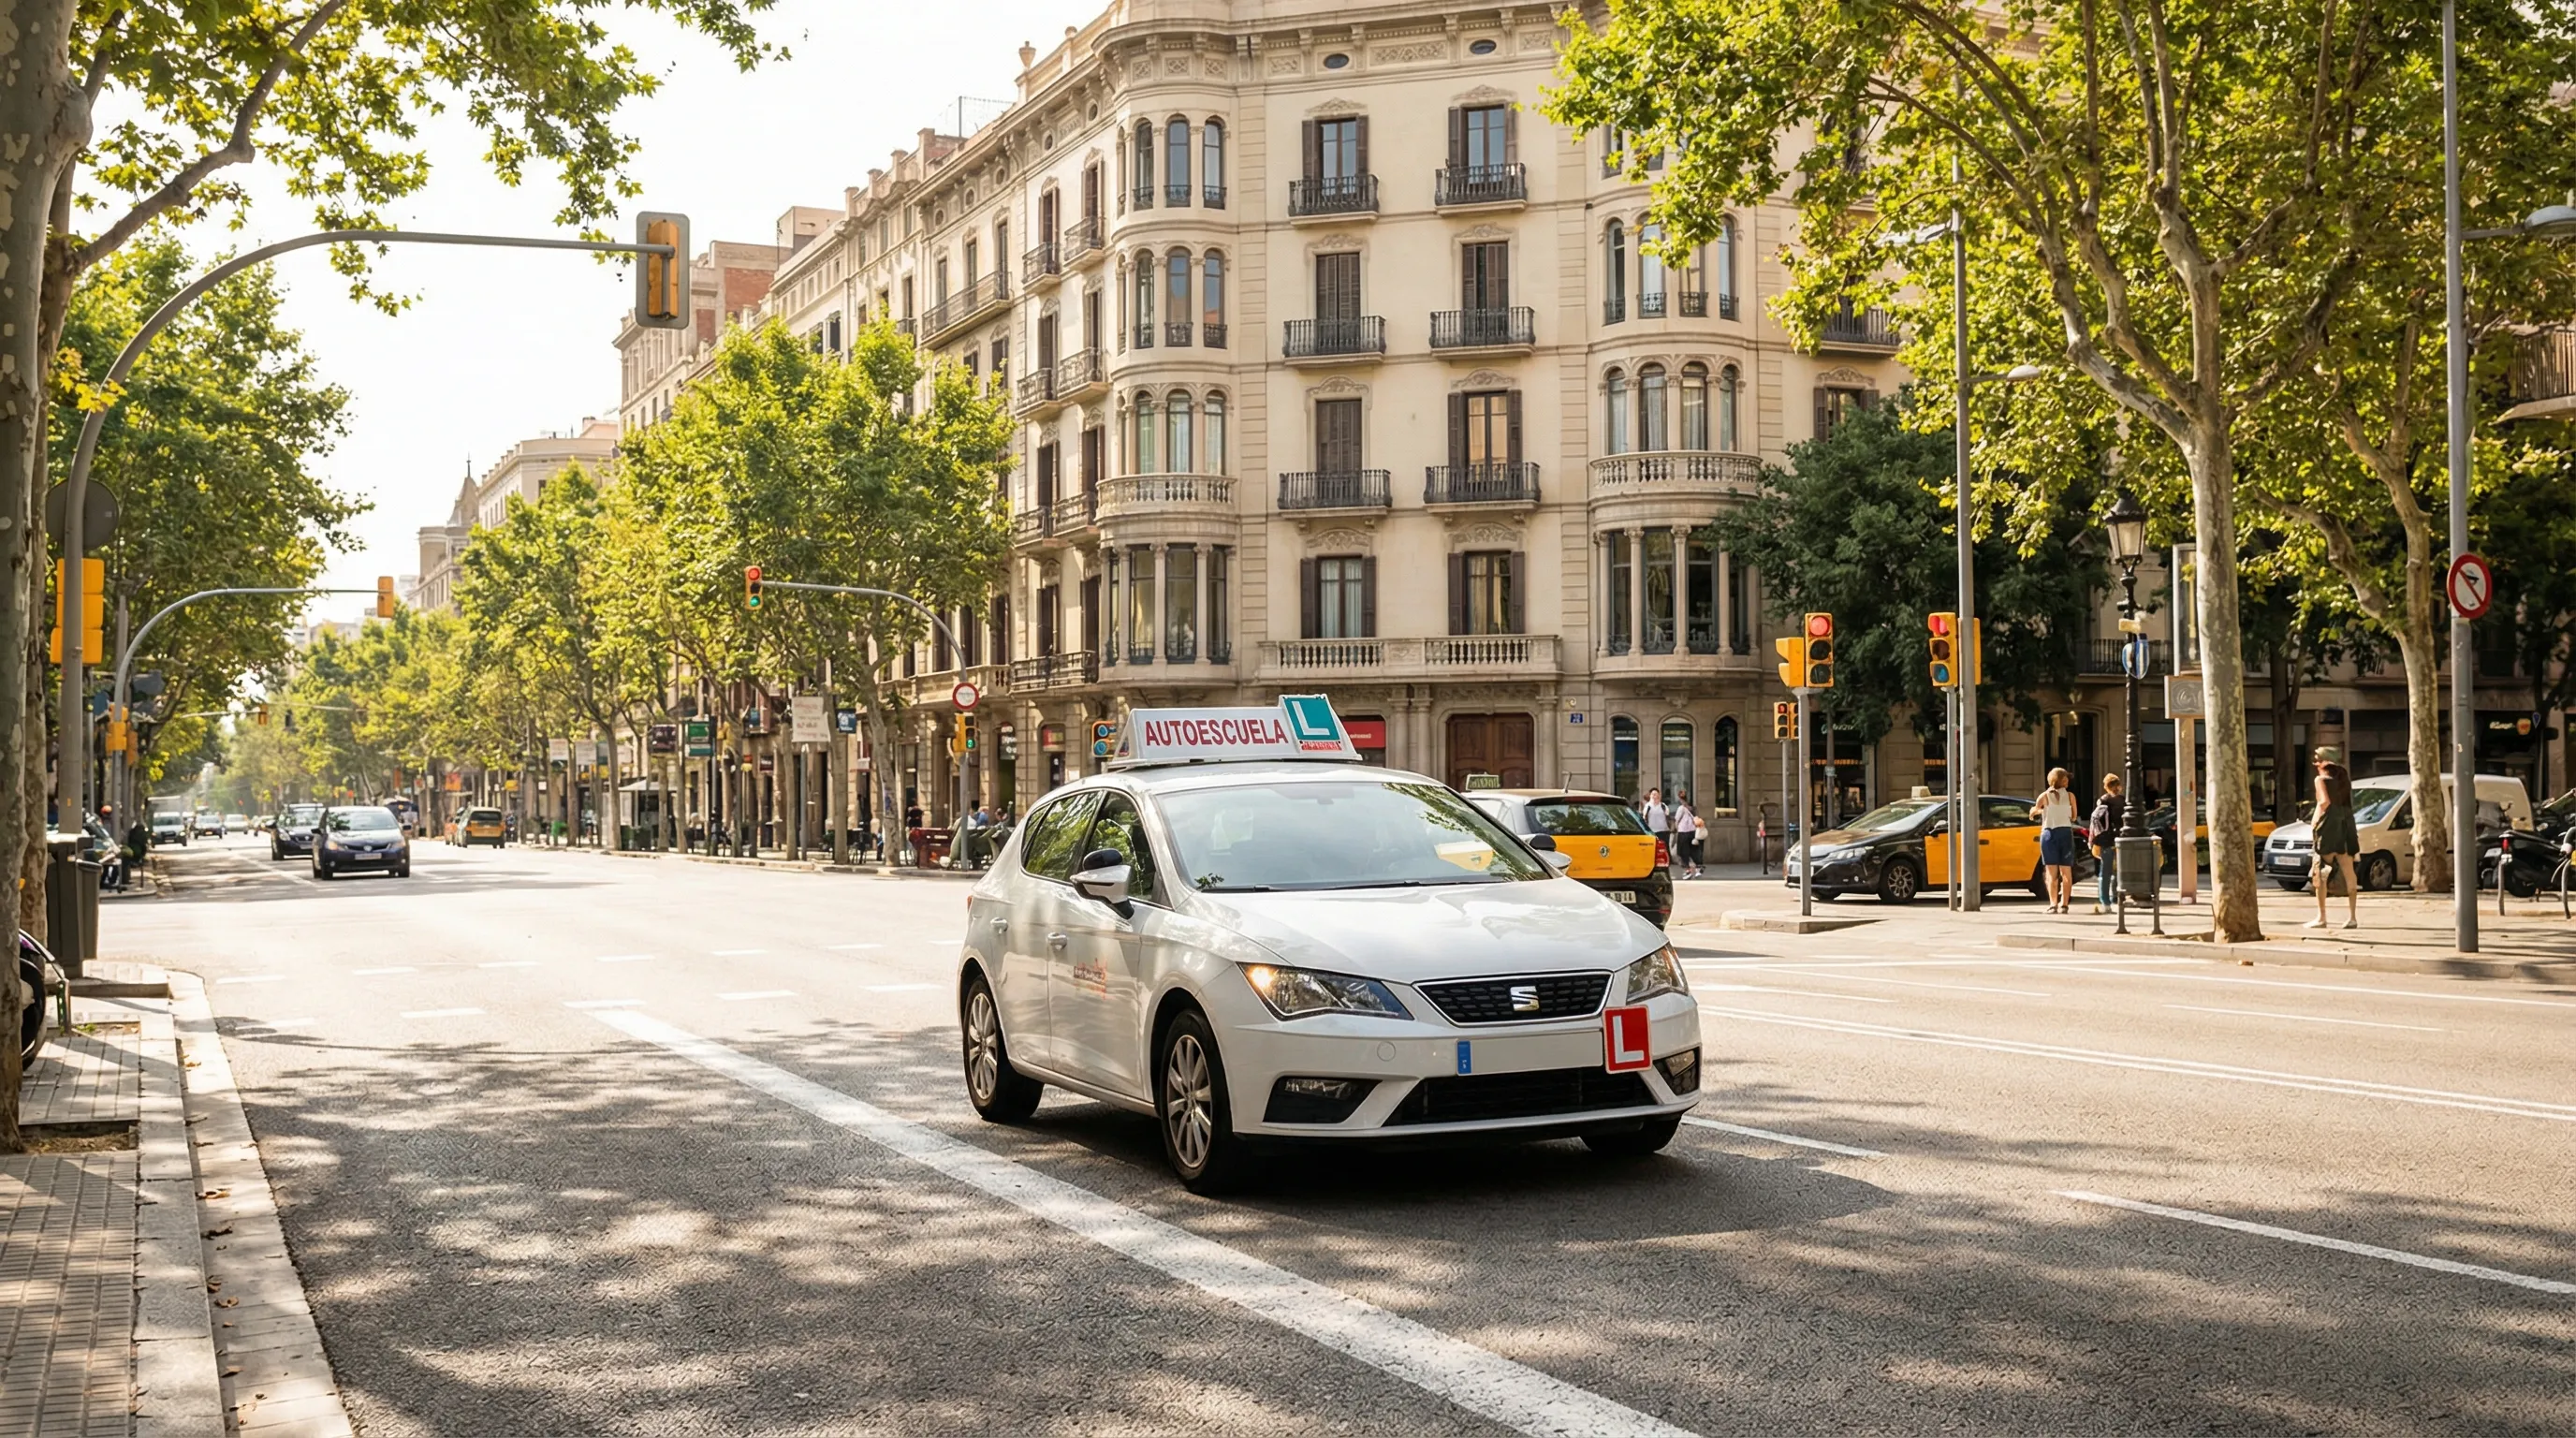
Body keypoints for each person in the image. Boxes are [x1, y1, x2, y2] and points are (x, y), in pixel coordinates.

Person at [2308, 747, 2362, 930]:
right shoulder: (2344, 777)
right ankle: (2352, 917)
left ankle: (2322, 917)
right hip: (2347, 825)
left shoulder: (2320, 779)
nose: (2315, 764)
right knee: (2349, 872)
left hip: (2329, 827)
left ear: (2323, 761)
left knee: (2321, 872)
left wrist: (2315, 822)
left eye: (2317, 760)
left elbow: (2324, 802)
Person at [2032, 769, 2082, 913]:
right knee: (2066, 871)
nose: (2067, 781)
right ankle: (2064, 904)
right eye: (2065, 779)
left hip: (2048, 833)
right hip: (2065, 833)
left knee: (2051, 872)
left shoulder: (2044, 796)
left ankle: (2053, 904)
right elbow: (2074, 817)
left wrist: (2041, 811)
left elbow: (2033, 812)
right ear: (2059, 781)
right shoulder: (2071, 796)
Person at [2087, 774, 2126, 915]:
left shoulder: (2103, 801)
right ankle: (2114, 898)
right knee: (2117, 871)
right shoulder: (2123, 800)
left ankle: (2106, 901)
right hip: (2120, 839)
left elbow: (2095, 821)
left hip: (2106, 840)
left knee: (2106, 871)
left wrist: (2095, 837)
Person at [1672, 793, 1700, 879]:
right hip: (1692, 832)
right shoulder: (1692, 808)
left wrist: (1676, 828)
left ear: (1680, 799)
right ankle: (1697, 869)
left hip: (1683, 832)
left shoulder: (1681, 808)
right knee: (1691, 851)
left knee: (1682, 852)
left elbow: (1677, 820)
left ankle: (1688, 870)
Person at [1641, 788, 1669, 855]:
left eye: (1656, 794)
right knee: (1653, 850)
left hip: (1663, 831)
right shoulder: (1647, 806)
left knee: (1664, 850)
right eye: (1652, 794)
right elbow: (1644, 818)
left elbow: (1668, 815)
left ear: (1659, 795)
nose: (1654, 796)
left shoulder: (1663, 806)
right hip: (1652, 832)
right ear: (1650, 796)